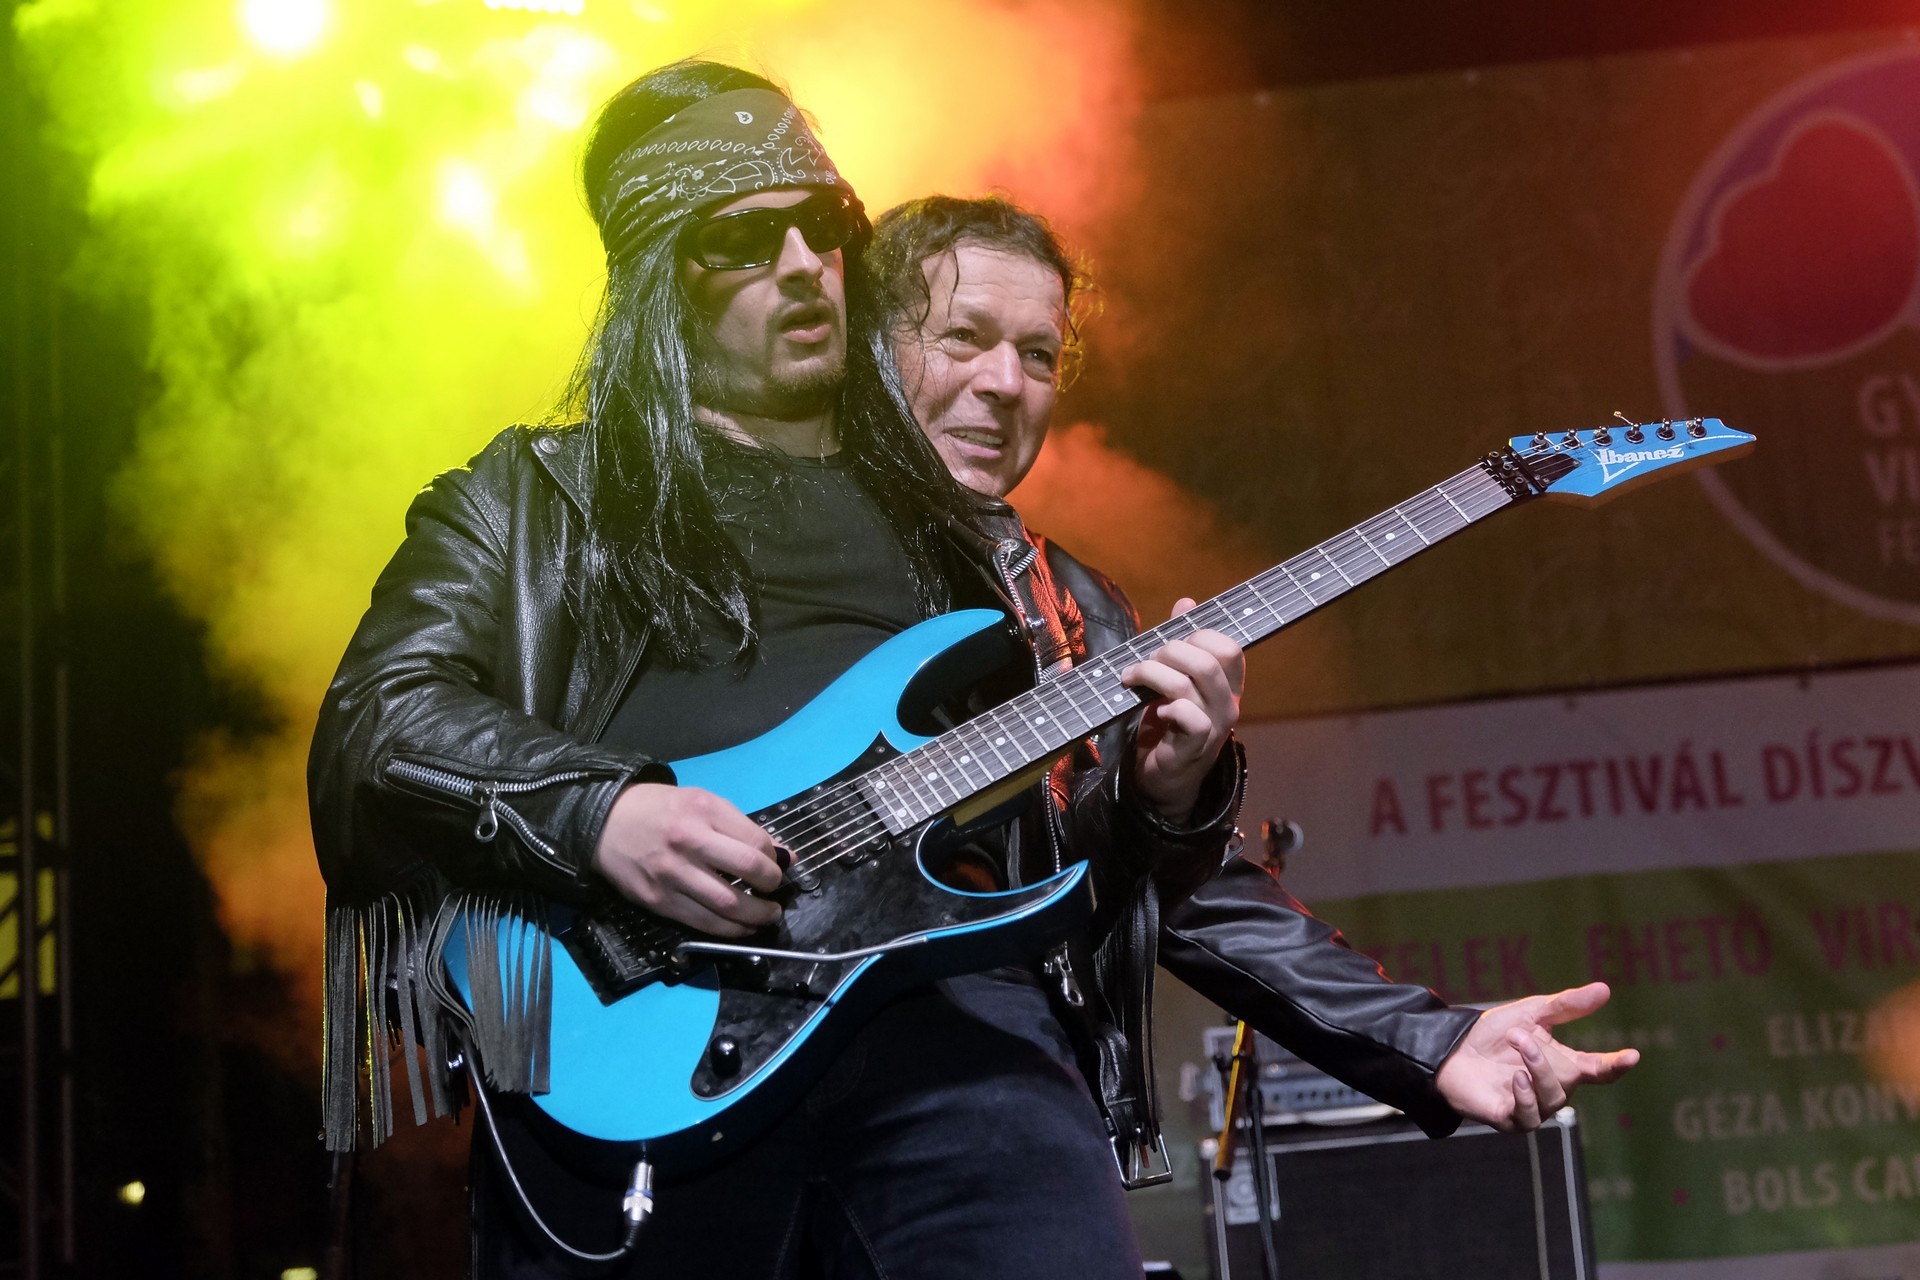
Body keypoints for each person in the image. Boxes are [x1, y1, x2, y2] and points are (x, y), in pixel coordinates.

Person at [310, 63, 1253, 1278]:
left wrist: (1170, 797)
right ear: (662, 280)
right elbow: (376, 723)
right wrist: (601, 812)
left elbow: (1098, 859)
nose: (805, 264)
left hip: (956, 1041)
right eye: (746, 241)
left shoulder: (977, 543)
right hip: (640, 1050)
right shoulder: (528, 499)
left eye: (824, 225)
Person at [866, 193, 1639, 1145]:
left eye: (1037, 355)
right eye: (963, 336)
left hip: (989, 1105)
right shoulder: (744, 543)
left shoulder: (1075, 612)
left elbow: (1192, 896)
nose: (1003, 383)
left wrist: (1433, 1042)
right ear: (871, 347)